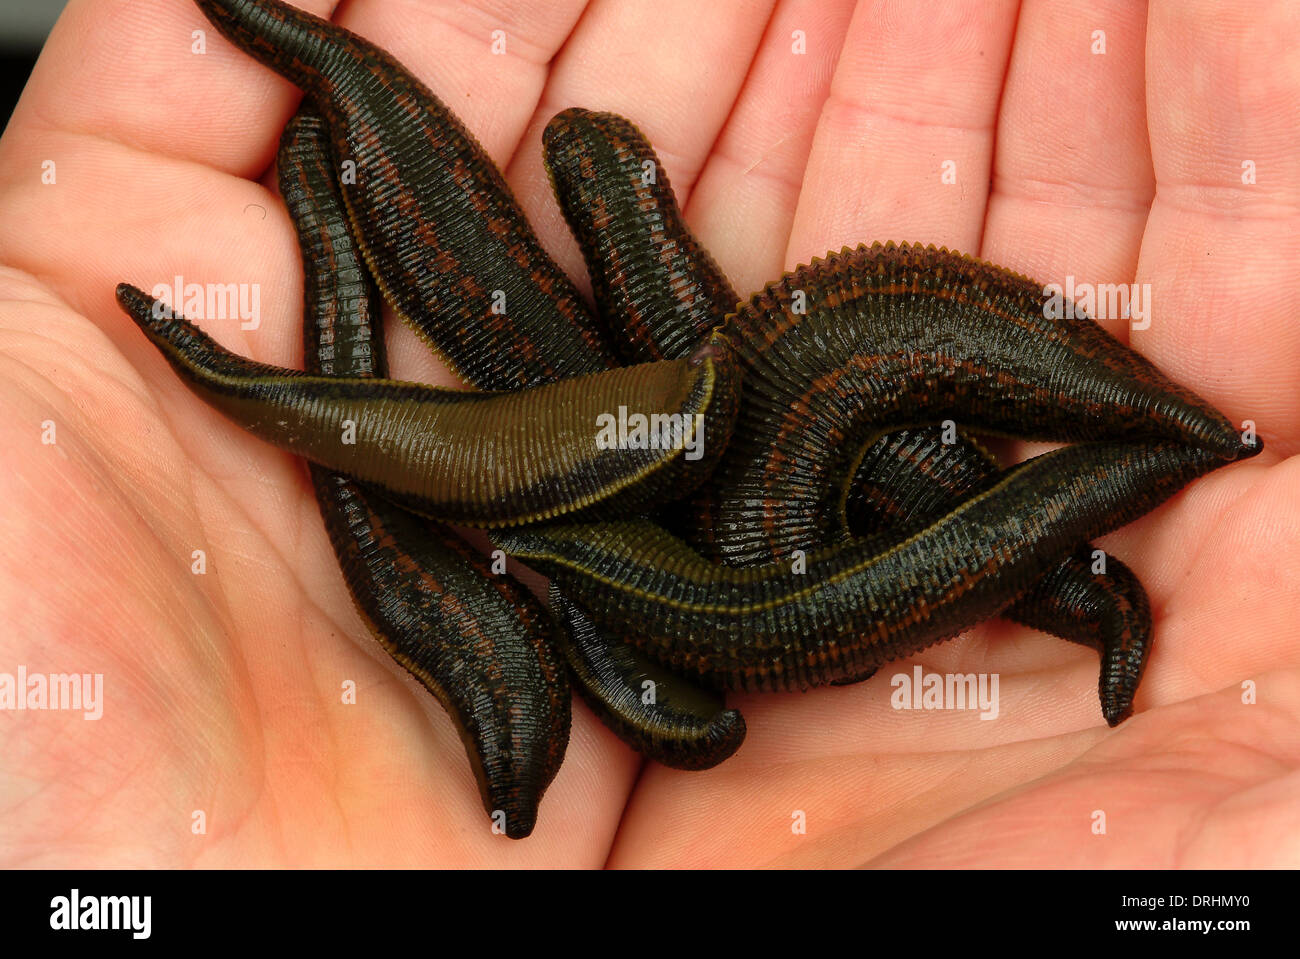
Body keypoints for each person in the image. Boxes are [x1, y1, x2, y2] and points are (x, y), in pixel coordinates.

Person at [0, 0, 1293, 867]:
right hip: (733, 523)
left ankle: (1161, 450)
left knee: (753, 426)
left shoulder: (701, 425)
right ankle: (1161, 453)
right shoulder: (694, 429)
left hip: (736, 514)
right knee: (754, 434)